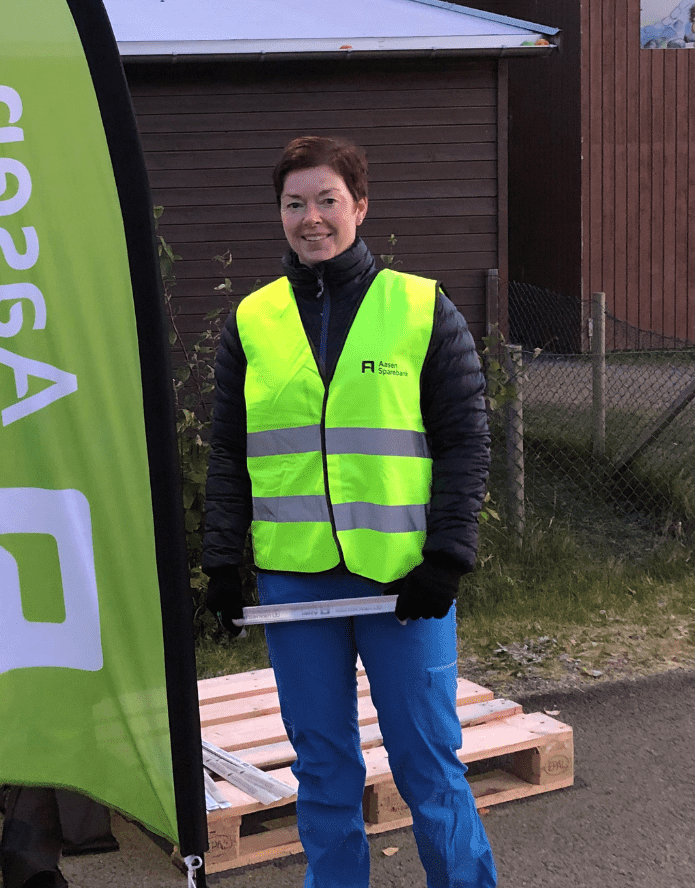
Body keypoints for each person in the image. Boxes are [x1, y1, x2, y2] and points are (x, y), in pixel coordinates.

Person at [202, 135, 495, 888]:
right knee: (324, 765)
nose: (311, 218)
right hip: (296, 582)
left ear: (359, 207)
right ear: (280, 215)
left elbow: (466, 441)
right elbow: (229, 455)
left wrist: (448, 558)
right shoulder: (252, 321)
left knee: (427, 762)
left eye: (326, 200)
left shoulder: (421, 308)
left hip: (403, 582)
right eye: (294, 204)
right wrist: (222, 560)